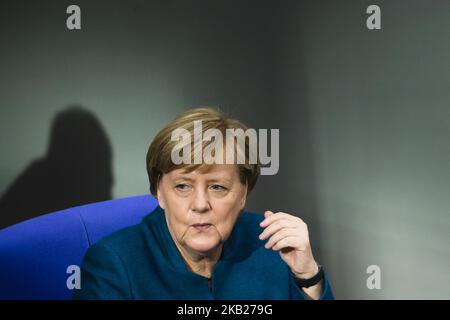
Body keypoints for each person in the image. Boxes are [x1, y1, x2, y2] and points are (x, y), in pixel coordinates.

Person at [73, 107, 334, 299]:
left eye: (217, 187)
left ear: (244, 193)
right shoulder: (113, 263)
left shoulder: (272, 244)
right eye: (183, 186)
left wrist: (307, 275)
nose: (200, 204)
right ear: (158, 192)